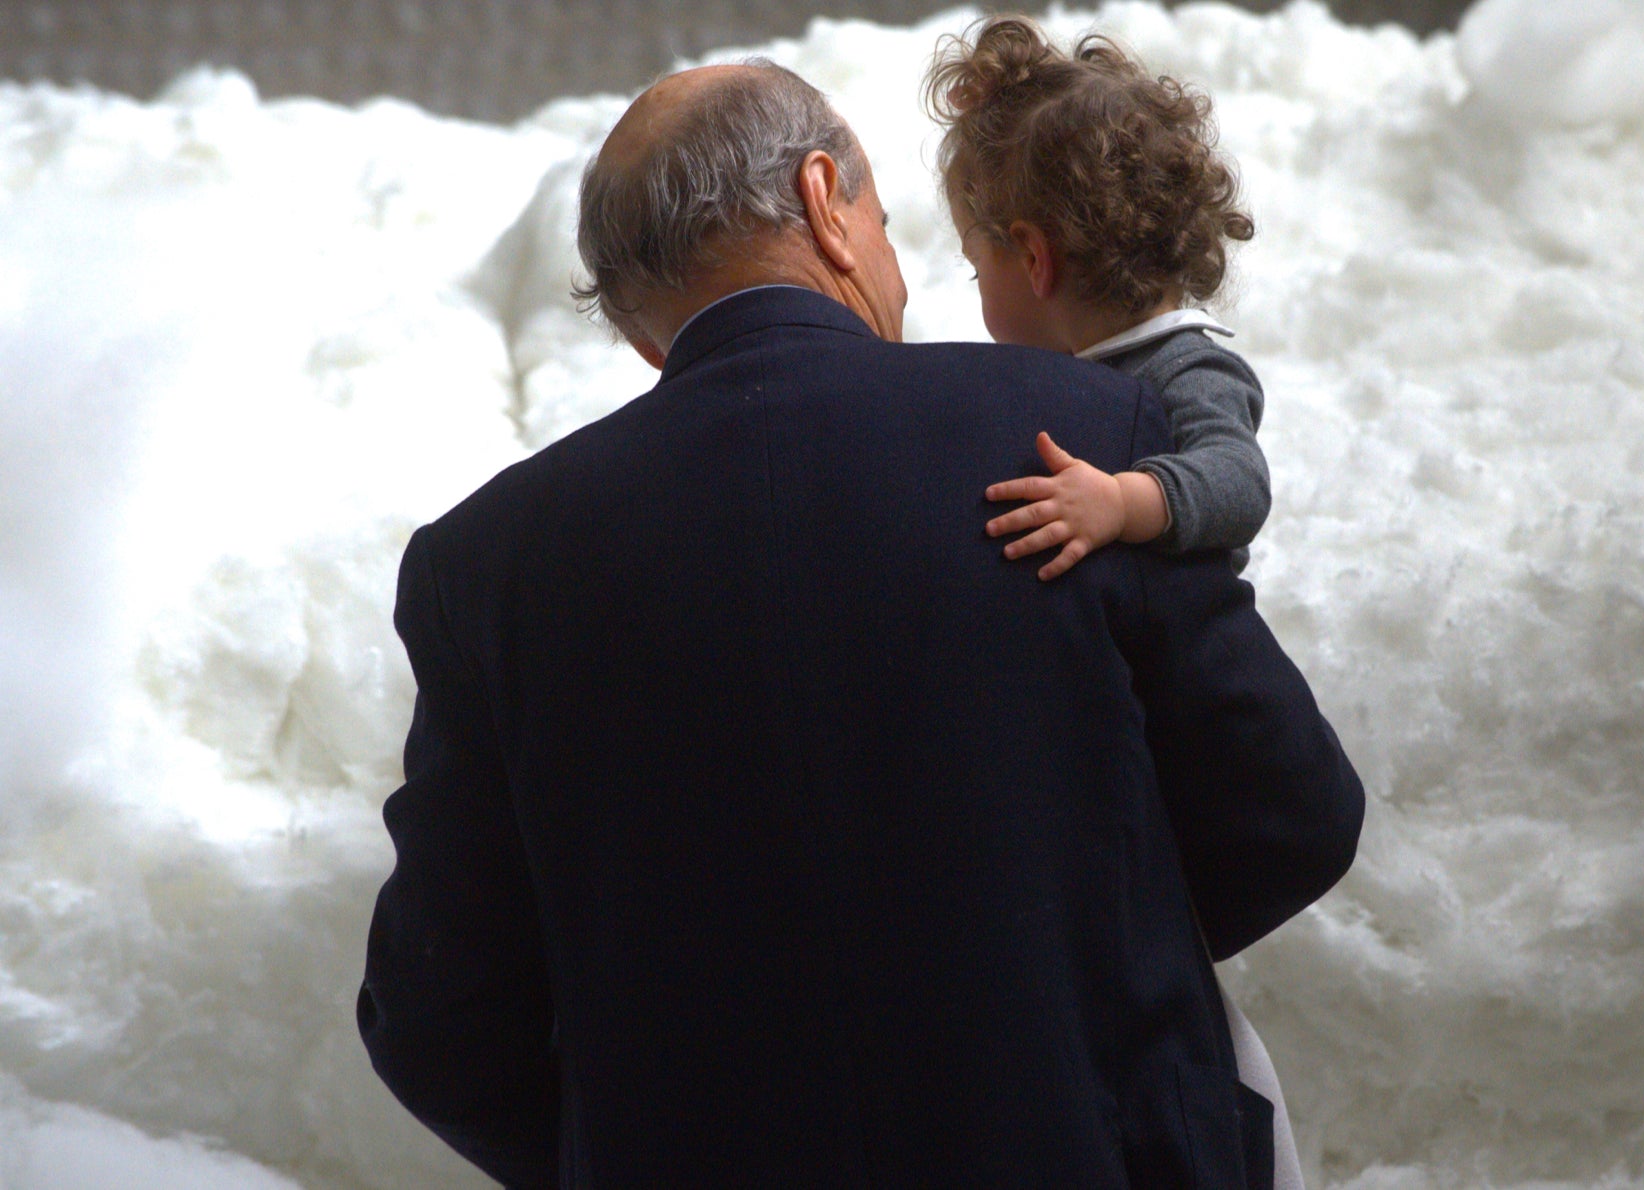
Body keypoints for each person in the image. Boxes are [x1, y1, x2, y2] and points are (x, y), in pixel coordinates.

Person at [357, 58, 1364, 1189]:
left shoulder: (487, 566)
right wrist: (1069, 981)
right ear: (829, 205)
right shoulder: (1077, 439)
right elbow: (1292, 809)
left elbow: (438, 1018)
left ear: (647, 337)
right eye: (885, 224)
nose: (896, 267)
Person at [923, 18, 1305, 1188]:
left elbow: (1238, 482)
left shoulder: (1189, 365)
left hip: (1182, 710)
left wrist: (1122, 502)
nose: (976, 285)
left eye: (976, 262)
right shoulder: (1069, 379)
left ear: (1030, 259)